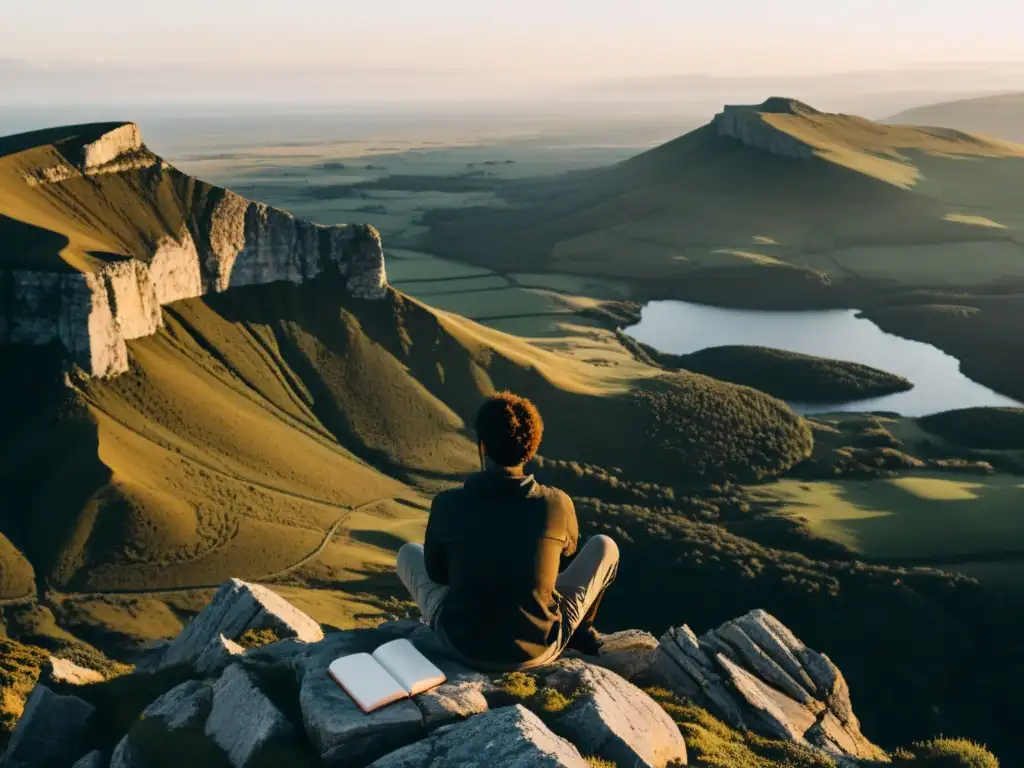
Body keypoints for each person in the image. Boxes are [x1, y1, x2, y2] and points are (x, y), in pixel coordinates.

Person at [396, 391, 619, 671]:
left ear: (482, 447)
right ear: (531, 449)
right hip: (537, 649)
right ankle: (580, 631)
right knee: (604, 546)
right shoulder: (557, 503)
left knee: (408, 553)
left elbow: (438, 575)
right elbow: (568, 551)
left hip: (460, 646)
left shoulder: (447, 503)